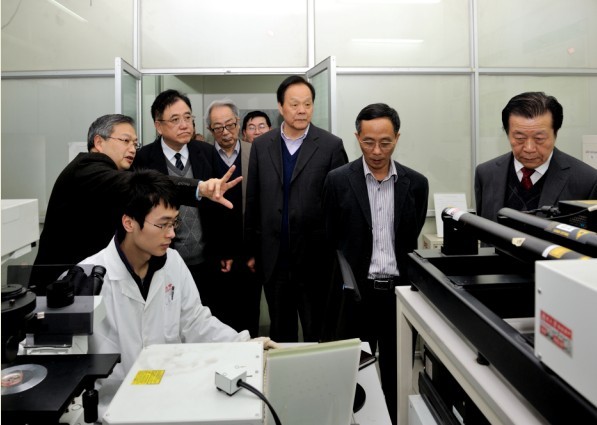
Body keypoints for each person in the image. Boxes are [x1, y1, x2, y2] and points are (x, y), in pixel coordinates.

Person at [79, 169, 276, 420]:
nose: (171, 234)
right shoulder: (88, 278)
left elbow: (195, 321)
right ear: (129, 223)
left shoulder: (172, 262)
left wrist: (245, 345)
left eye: (174, 223)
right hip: (110, 410)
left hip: (169, 398)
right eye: (162, 224)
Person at [322, 103, 429, 424]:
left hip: (399, 296)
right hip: (356, 296)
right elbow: (331, 239)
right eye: (368, 142)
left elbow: (410, 237)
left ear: (397, 138)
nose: (377, 151)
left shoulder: (416, 183)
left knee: (397, 373)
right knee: (353, 376)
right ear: (357, 137)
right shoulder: (338, 181)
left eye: (385, 142)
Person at [34, 114, 240, 268]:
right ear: (99, 142)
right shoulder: (87, 168)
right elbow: (143, 184)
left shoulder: (111, 171)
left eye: (135, 143)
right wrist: (200, 188)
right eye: (125, 141)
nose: (132, 149)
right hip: (62, 282)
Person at [244, 75, 348, 342]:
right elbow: (253, 200)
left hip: (316, 261)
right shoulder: (262, 145)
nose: (302, 110)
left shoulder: (330, 146)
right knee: (281, 334)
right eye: (294, 104)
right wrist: (252, 250)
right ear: (280, 107)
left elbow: (340, 207)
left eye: (307, 104)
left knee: (318, 334)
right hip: (274, 260)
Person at [134, 89, 215, 297]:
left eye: (188, 117)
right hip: (161, 261)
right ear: (158, 125)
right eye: (175, 119)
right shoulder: (143, 159)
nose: (184, 125)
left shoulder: (206, 152)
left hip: (205, 261)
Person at [475, 91, 597, 222]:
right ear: (508, 134)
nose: (529, 148)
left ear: (555, 133)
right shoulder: (486, 173)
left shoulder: (587, 181)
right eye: (520, 138)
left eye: (539, 138)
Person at [203, 99, 261, 335]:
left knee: (249, 317)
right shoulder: (203, 155)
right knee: (218, 319)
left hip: (250, 254)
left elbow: (263, 205)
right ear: (210, 129)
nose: (225, 132)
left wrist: (256, 251)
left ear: (238, 122)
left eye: (230, 125)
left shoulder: (255, 152)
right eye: (218, 127)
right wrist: (218, 252)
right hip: (215, 254)